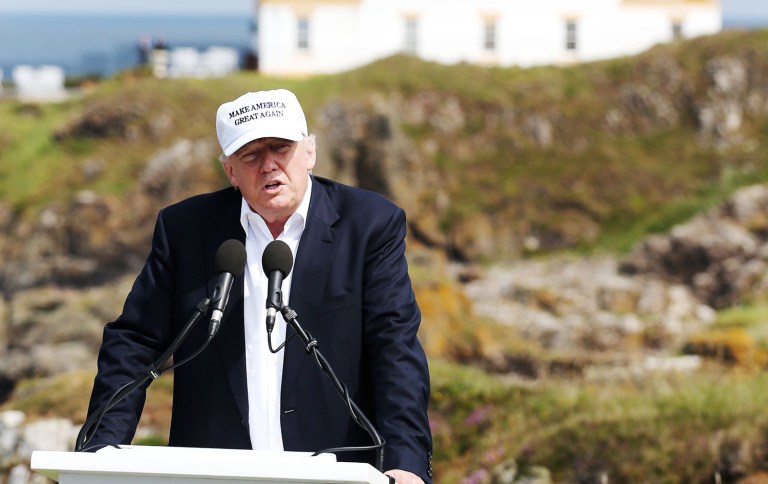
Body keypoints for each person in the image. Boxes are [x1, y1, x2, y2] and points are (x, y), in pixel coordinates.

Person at [82, 88, 433, 483]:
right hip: (215, 472)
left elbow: (395, 347)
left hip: (339, 469)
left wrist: (406, 461)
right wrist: (100, 450)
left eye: (281, 148)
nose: (269, 165)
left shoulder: (369, 224)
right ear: (230, 171)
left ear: (309, 152)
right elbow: (134, 340)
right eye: (250, 154)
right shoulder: (186, 230)